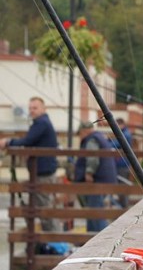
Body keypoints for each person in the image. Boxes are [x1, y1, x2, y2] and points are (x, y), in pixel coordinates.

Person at [0, 97, 67, 243]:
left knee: (44, 209)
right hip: (44, 170)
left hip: (43, 172)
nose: (32, 110)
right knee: (42, 207)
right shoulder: (42, 122)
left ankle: (56, 243)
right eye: (30, 108)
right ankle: (54, 242)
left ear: (43, 109)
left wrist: (8, 142)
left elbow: (28, 140)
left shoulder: (42, 123)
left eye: (35, 108)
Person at [74, 121, 118, 232]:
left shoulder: (91, 139)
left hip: (97, 180)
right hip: (104, 179)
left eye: (80, 133)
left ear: (84, 131)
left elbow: (92, 157)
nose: (80, 136)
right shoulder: (99, 137)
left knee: (95, 212)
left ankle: (100, 239)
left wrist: (89, 173)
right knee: (94, 211)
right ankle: (93, 236)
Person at [110, 117, 132, 208]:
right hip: (123, 164)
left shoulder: (124, 134)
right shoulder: (126, 133)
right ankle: (123, 207)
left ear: (121, 125)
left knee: (122, 186)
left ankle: (124, 208)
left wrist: (106, 142)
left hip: (122, 164)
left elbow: (116, 143)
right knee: (121, 186)